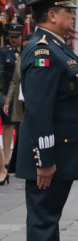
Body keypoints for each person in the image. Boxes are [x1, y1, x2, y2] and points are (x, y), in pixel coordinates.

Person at [18, 0, 78, 241]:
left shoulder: (56, 46)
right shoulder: (43, 50)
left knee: (48, 226)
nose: (72, 16)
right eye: (67, 12)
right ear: (51, 14)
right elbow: (40, 111)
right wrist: (44, 160)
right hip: (48, 158)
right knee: (43, 228)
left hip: (58, 155)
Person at [4, 33, 31, 174]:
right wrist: (7, 102)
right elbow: (14, 81)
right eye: (24, 46)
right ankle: (17, 161)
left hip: (33, 100)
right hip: (20, 101)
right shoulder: (20, 59)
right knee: (20, 130)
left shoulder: (37, 57)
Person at [0, 22, 23, 178]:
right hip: (7, 93)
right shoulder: (3, 52)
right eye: (11, 37)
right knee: (7, 123)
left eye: (16, 37)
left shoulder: (26, 51)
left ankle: (17, 157)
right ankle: (7, 156)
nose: (13, 40)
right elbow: (1, 73)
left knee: (20, 125)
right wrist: (3, 93)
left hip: (22, 95)